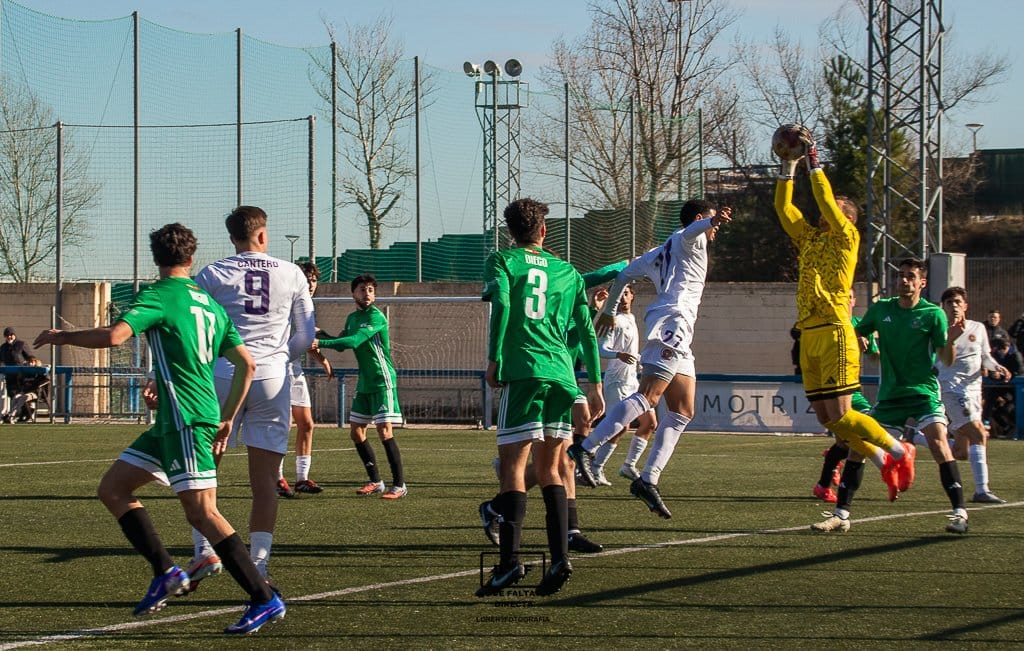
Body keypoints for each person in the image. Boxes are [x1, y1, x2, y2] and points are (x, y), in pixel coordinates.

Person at [32, 223, 284, 634]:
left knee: (203, 513)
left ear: (156, 258)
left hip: (186, 419)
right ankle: (165, 570)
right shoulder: (210, 303)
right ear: (191, 257)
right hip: (178, 419)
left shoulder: (159, 296)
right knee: (113, 488)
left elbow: (116, 336)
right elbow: (247, 364)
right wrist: (226, 417)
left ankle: (263, 598)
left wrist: (65, 336)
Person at [771, 132, 915, 535]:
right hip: (810, 334)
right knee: (829, 421)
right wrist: (789, 167)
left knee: (843, 413)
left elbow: (825, 203)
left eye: (835, 207)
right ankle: (885, 460)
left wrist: (813, 160)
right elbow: (784, 209)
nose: (825, 211)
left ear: (848, 218)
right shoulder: (810, 239)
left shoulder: (846, 238)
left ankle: (899, 450)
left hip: (835, 331)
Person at [569, 199, 731, 520]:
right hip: (674, 322)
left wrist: (611, 309)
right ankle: (585, 448)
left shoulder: (657, 253)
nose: (714, 231)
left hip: (677, 327)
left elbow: (624, 275)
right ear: (699, 220)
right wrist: (712, 223)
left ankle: (648, 478)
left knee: (683, 410)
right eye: (709, 222)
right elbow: (693, 230)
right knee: (649, 396)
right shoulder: (690, 237)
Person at [476, 197, 603, 597]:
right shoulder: (568, 271)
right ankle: (560, 559)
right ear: (544, 231)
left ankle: (509, 564)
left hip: (525, 370)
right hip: (563, 377)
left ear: (510, 231)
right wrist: (595, 385)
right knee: (552, 467)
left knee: (513, 468)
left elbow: (504, 306)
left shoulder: (502, 261)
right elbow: (585, 330)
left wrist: (495, 358)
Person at [191, 205, 316, 590]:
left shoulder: (212, 273)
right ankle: (258, 567)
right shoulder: (292, 272)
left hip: (223, 377)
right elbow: (306, 334)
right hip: (272, 380)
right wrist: (280, 358)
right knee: (264, 482)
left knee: (203, 470)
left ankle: (204, 551)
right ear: (263, 235)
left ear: (232, 237)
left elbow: (193, 327)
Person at [852, 258, 968, 534]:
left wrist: (951, 340)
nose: (903, 280)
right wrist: (862, 340)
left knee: (940, 444)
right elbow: (858, 330)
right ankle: (841, 514)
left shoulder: (932, 314)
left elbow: (946, 359)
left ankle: (959, 513)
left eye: (910, 276)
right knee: (858, 447)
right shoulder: (882, 310)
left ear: (922, 283)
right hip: (890, 395)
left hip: (923, 393)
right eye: (900, 275)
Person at [314, 273, 407, 499]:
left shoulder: (376, 317)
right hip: (365, 380)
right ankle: (375, 481)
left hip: (382, 378)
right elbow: (340, 344)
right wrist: (320, 333)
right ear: (353, 293)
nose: (367, 294)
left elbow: (354, 341)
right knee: (356, 432)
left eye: (371, 290)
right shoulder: (352, 318)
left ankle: (400, 485)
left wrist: (320, 341)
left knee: (384, 431)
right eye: (362, 290)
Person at [935, 286, 1011, 503]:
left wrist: (997, 368)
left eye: (958, 302)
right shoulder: (939, 330)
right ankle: (981, 490)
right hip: (951, 389)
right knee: (979, 433)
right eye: (949, 303)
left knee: (961, 452)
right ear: (944, 307)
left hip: (974, 391)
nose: (954, 306)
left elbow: (985, 356)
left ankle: (919, 438)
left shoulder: (978, 328)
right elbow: (936, 361)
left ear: (965, 305)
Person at [811, 290, 879, 504]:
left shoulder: (860, 325)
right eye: (841, 297)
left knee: (849, 441)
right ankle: (829, 486)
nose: (845, 301)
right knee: (856, 437)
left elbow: (875, 357)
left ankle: (823, 484)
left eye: (849, 297)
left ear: (854, 301)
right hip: (831, 391)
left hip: (853, 392)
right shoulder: (828, 325)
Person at [589, 283, 657, 484]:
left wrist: (638, 362)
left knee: (649, 423)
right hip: (617, 381)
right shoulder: (614, 320)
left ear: (632, 296)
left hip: (632, 381)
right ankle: (593, 466)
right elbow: (600, 349)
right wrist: (618, 354)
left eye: (626, 293)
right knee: (619, 426)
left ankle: (628, 466)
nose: (623, 297)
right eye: (620, 294)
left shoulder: (631, 318)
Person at [279, 261, 333, 496]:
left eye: (313, 279)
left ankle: (302, 478)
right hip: (278, 369)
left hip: (295, 370)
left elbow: (307, 337)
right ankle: (277, 477)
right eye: (306, 278)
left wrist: (322, 358)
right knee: (283, 425)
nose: (310, 284)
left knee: (307, 424)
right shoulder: (286, 301)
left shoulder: (307, 305)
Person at [985, 335, 1024, 439]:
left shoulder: (1016, 356)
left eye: (1002, 350)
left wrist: (1003, 375)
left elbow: (1019, 373)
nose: (1000, 352)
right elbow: (991, 368)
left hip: (1013, 389)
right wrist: (993, 374)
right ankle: (987, 422)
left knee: (1008, 408)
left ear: (1006, 347)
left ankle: (1016, 428)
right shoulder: (997, 355)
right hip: (1001, 386)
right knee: (991, 402)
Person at [3, 356, 48, 423]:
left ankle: (12, 415)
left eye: (31, 362)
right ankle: (10, 414)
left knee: (23, 397)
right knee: (15, 397)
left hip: (36, 393)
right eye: (28, 362)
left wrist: (39, 384)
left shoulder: (39, 372)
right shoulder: (25, 372)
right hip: (26, 391)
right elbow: (21, 381)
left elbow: (46, 379)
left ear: (35, 362)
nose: (29, 364)